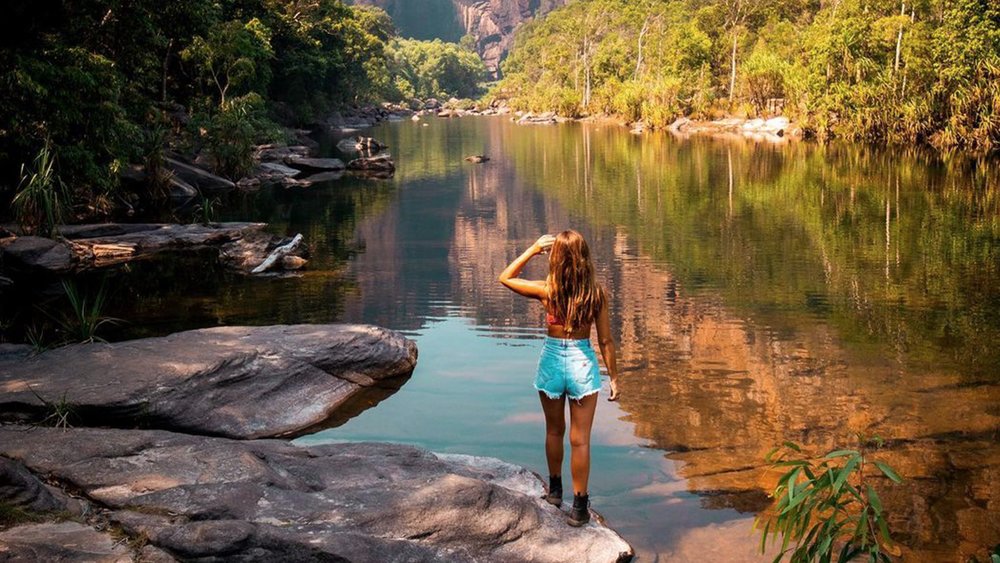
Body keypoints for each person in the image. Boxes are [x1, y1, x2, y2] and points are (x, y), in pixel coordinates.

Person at [498, 229, 620, 527]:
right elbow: (605, 341)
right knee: (580, 441)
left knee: (554, 432)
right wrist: (614, 378)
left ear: (557, 258)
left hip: (552, 362)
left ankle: (554, 493)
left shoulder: (547, 290)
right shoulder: (596, 294)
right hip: (582, 363)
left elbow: (505, 277)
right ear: (584, 257)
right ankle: (579, 508)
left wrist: (533, 248)